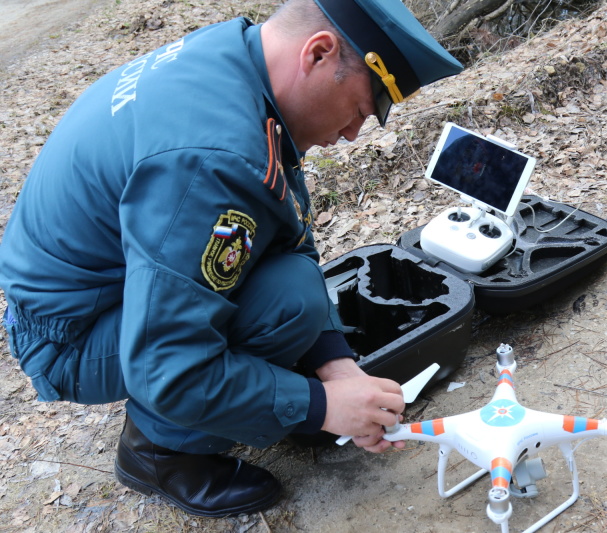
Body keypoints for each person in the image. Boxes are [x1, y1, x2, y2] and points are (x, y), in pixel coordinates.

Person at [0, 0, 462, 518]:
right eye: (359, 109)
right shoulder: (214, 155)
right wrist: (321, 407)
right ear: (318, 52)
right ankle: (156, 451)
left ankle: (185, 420)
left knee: (294, 289)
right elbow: (165, 365)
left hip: (100, 290)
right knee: (284, 306)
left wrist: (336, 367)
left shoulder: (238, 63)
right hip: (66, 336)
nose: (354, 133)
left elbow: (288, 229)